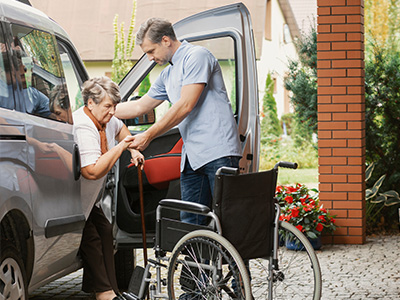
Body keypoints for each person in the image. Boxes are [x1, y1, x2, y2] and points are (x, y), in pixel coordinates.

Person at [116, 18, 241, 225]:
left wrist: (148, 134)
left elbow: (186, 105)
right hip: (192, 157)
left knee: (226, 221)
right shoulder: (168, 74)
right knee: (190, 220)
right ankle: (197, 259)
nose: (149, 58)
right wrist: (102, 111)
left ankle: (232, 259)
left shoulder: (197, 57)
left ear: (166, 40)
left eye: (150, 51)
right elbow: (140, 106)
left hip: (218, 152)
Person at [73, 76, 144, 300]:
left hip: (88, 199)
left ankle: (111, 291)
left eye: (115, 106)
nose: (112, 111)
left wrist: (132, 149)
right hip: (71, 200)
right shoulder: (84, 126)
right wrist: (122, 147)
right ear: (90, 103)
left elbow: (121, 129)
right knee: (92, 238)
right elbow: (92, 171)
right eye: (107, 106)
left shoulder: (105, 119)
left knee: (104, 230)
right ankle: (105, 294)